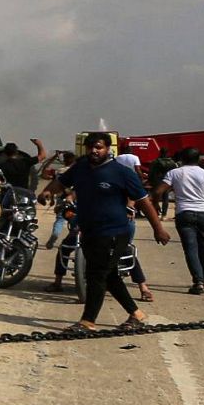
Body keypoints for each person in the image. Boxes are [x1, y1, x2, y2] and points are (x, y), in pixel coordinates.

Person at [41, 132, 170, 332]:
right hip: (89, 231)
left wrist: (158, 229)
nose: (94, 151)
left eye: (99, 147)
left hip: (113, 232)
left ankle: (88, 321)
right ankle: (136, 314)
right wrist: (48, 191)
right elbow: (61, 182)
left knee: (96, 275)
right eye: (91, 147)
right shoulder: (80, 168)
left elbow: (144, 201)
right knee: (109, 276)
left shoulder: (122, 173)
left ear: (108, 149)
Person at [154, 147, 204, 293]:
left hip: (184, 213)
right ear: (198, 160)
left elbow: (158, 191)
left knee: (190, 248)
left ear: (182, 159)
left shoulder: (174, 173)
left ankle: (198, 282)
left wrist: (155, 206)